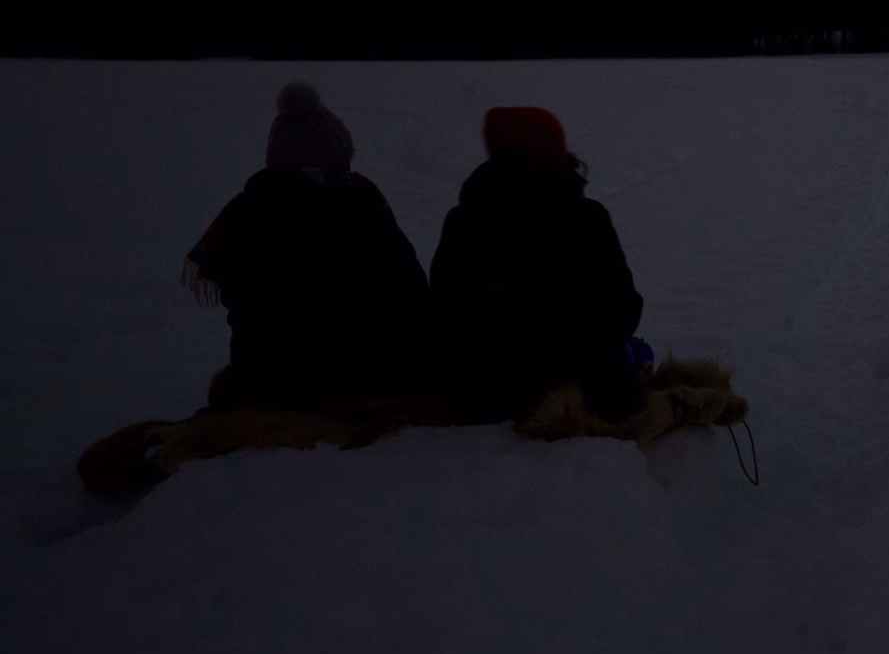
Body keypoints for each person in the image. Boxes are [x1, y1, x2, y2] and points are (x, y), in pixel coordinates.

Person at [184, 82, 429, 409]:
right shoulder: (362, 204)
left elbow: (243, 304)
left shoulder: (246, 210)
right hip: (361, 376)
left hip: (265, 378)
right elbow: (411, 292)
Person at [429, 107, 644, 422]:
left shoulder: (463, 221)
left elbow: (443, 314)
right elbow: (624, 310)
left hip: (479, 396)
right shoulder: (586, 218)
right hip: (588, 392)